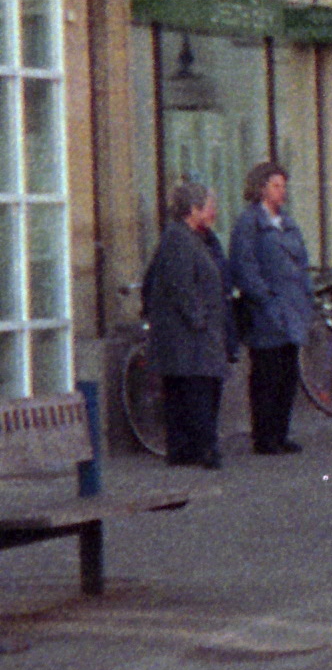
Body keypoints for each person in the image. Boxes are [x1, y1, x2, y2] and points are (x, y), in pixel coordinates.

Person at [142, 181, 232, 470]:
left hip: (194, 334)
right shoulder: (179, 240)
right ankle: (199, 448)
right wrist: (200, 319)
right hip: (188, 336)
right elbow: (181, 286)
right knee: (196, 392)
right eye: (209, 206)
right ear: (193, 210)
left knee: (195, 392)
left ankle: (189, 448)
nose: (214, 212)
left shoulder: (194, 238)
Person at [227, 163, 310, 457]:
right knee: (267, 374)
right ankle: (264, 435)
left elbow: (301, 260)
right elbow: (244, 265)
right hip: (266, 309)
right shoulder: (249, 222)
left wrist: (305, 294)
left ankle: (281, 431)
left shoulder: (287, 221)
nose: (282, 191)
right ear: (261, 188)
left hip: (292, 307)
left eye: (284, 186)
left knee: (288, 373)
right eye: (276, 186)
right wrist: (264, 296)